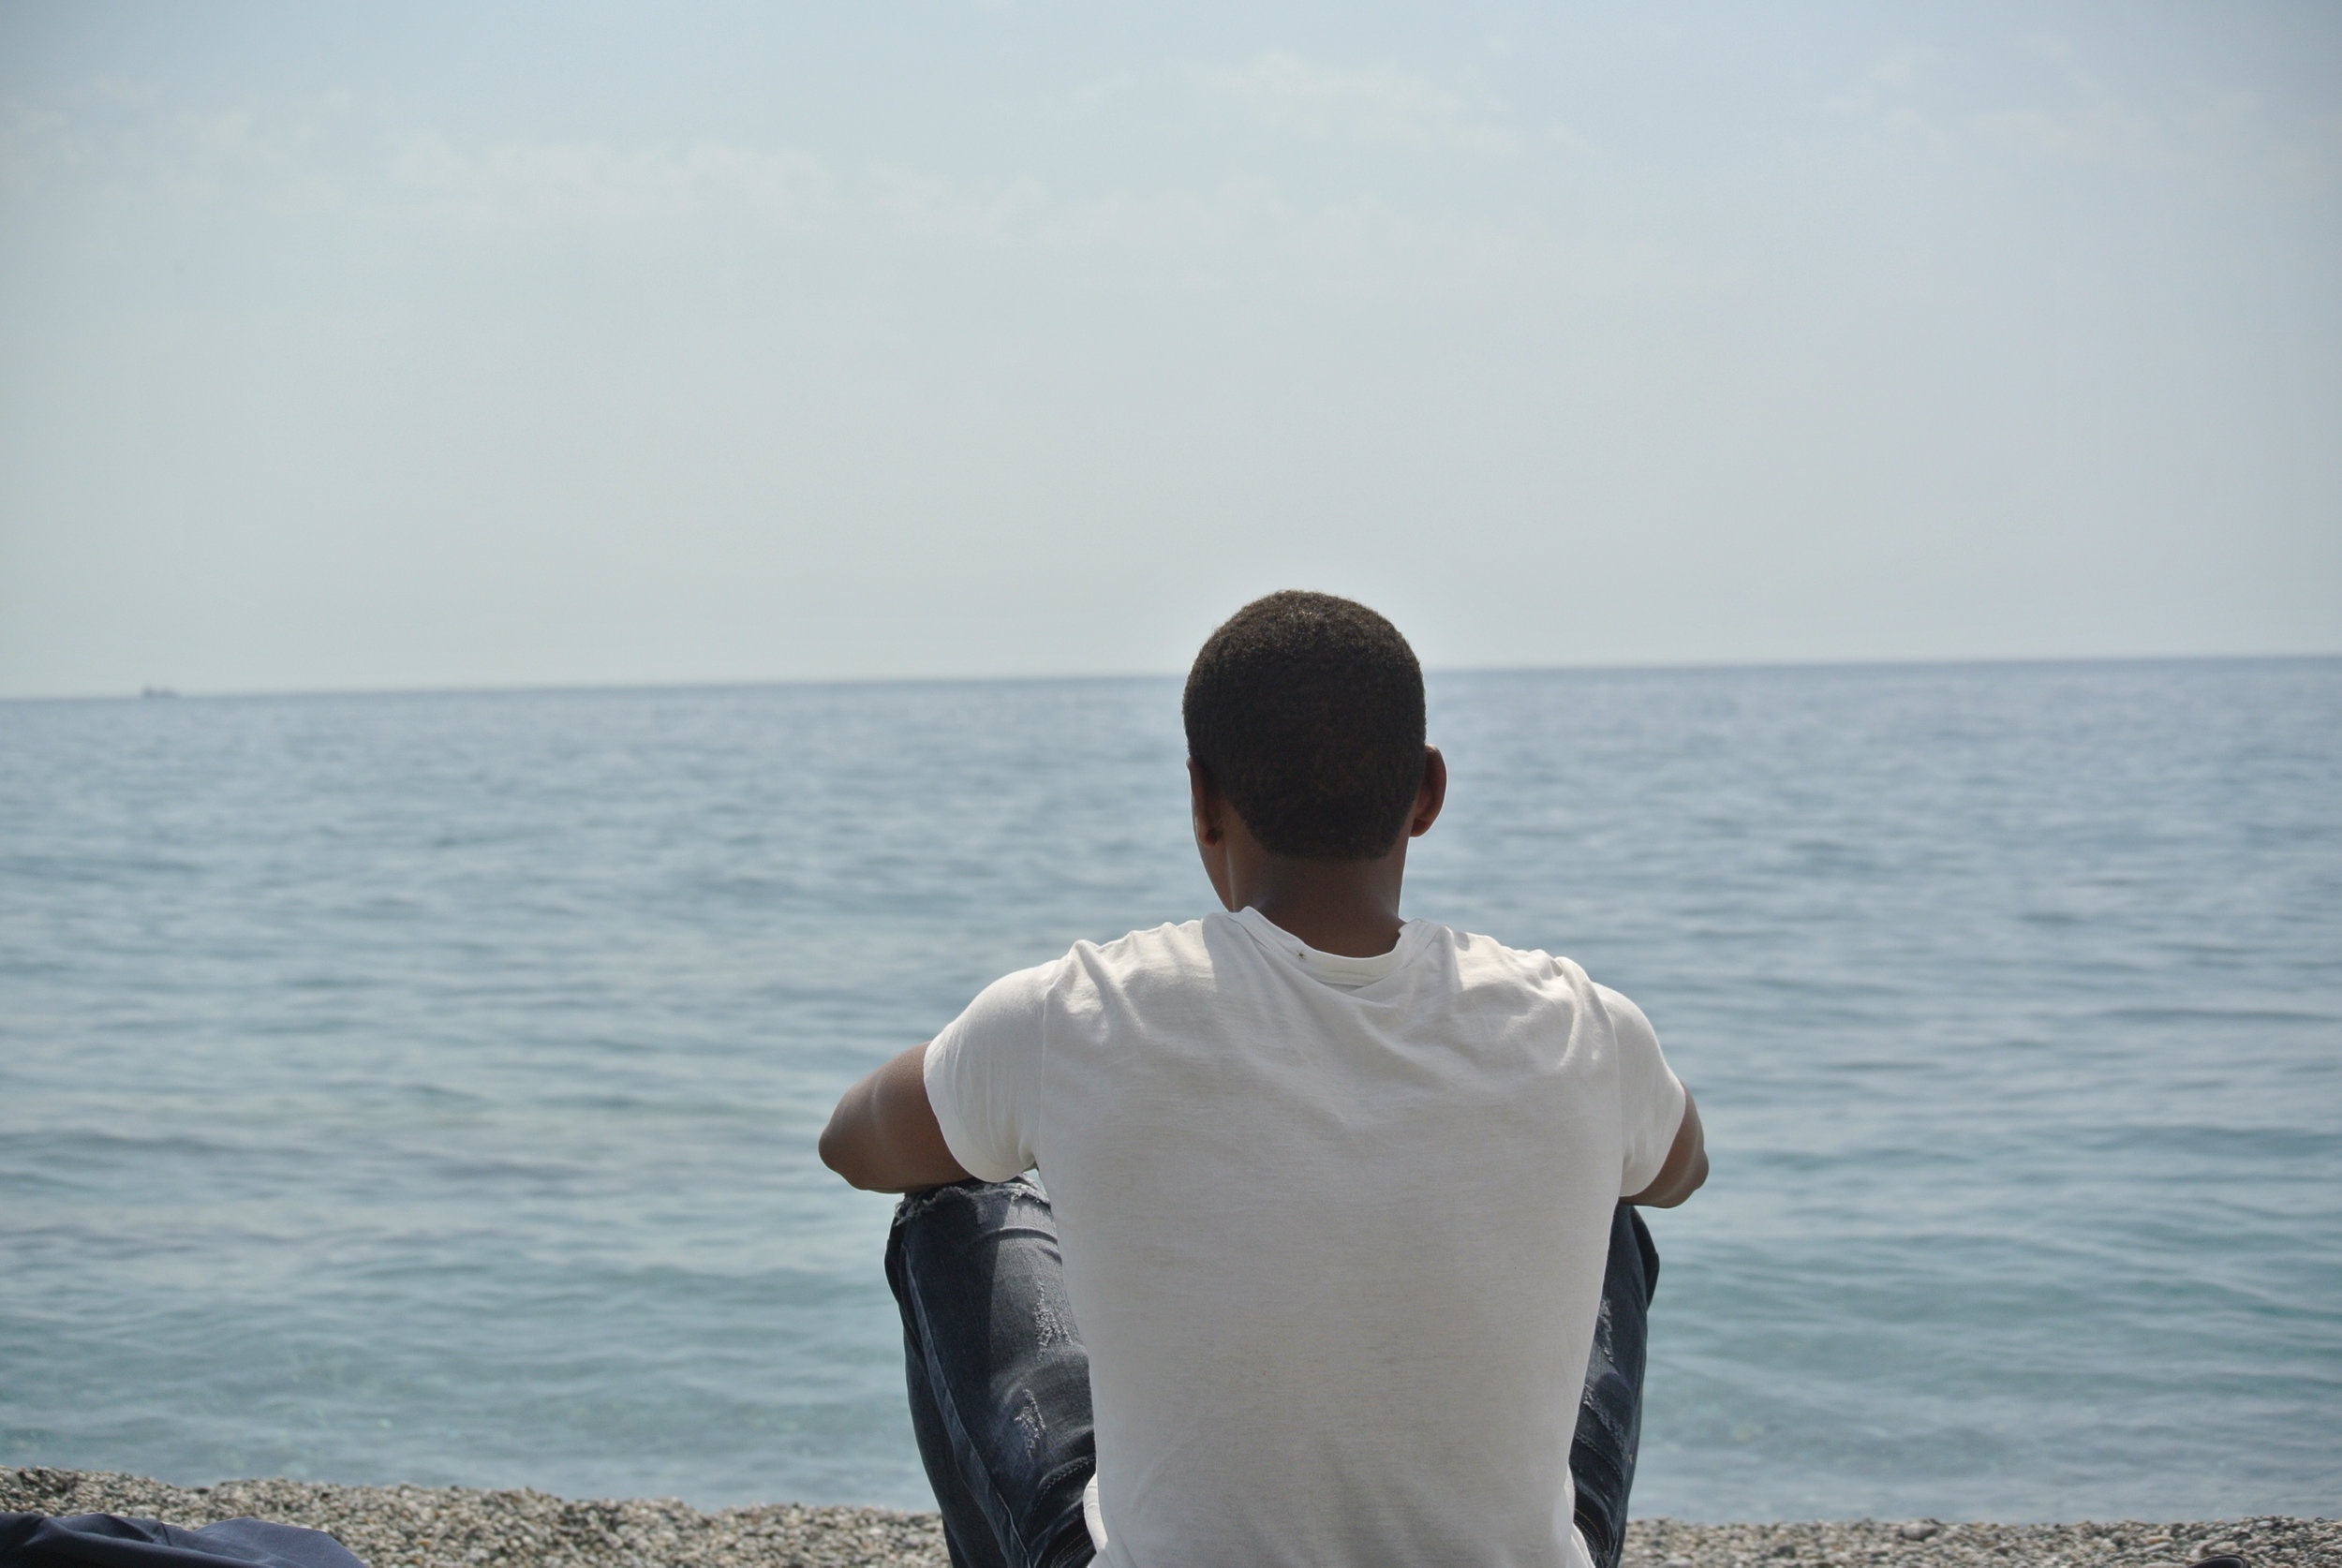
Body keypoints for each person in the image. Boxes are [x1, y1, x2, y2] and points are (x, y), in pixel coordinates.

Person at [819, 590, 1708, 1568]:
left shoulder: (1080, 1011)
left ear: (1202, 799)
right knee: (1612, 1198)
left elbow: (855, 1144)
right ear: (1427, 791)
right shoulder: (1583, 1022)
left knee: (952, 1207)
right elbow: (1679, 1170)